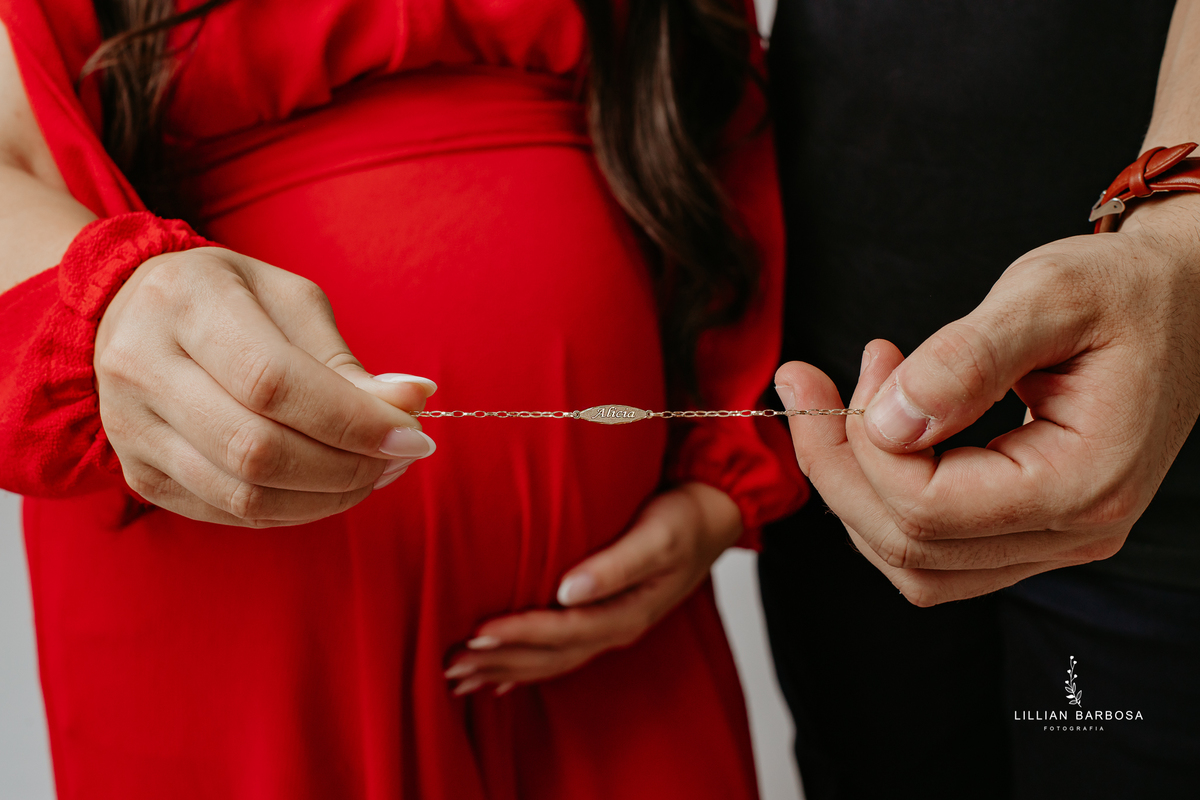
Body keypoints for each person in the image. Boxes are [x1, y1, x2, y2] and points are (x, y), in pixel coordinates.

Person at [0, 0, 805, 797]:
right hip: (235, 633)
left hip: (627, 661)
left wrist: (721, 487)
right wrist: (115, 307)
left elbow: (719, 119)